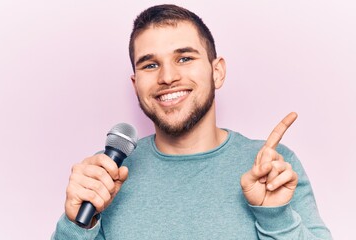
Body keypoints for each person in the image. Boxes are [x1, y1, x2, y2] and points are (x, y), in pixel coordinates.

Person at [52, 4, 332, 239]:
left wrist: (277, 218)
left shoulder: (274, 166)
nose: (168, 77)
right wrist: (77, 225)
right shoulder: (104, 174)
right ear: (136, 84)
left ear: (217, 72)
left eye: (184, 58)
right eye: (150, 64)